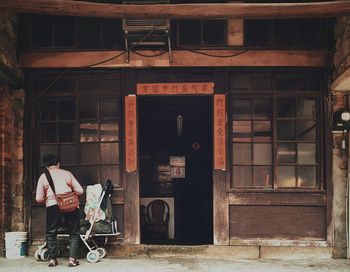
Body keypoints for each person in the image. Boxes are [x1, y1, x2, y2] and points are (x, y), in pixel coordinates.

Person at [36, 154, 83, 267]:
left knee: (51, 232)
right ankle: (72, 259)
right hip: (70, 205)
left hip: (52, 206)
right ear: (58, 164)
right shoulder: (67, 174)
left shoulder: (43, 177)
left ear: (46, 166)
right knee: (74, 232)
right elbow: (80, 190)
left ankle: (52, 259)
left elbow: (38, 198)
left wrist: (48, 199)